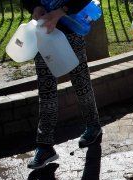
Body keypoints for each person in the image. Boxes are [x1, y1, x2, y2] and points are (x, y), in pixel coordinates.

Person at [21, 0, 103, 169]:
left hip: (71, 29)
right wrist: (35, 6)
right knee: (46, 91)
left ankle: (93, 126)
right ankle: (44, 146)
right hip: (44, 32)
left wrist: (60, 12)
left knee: (81, 83)